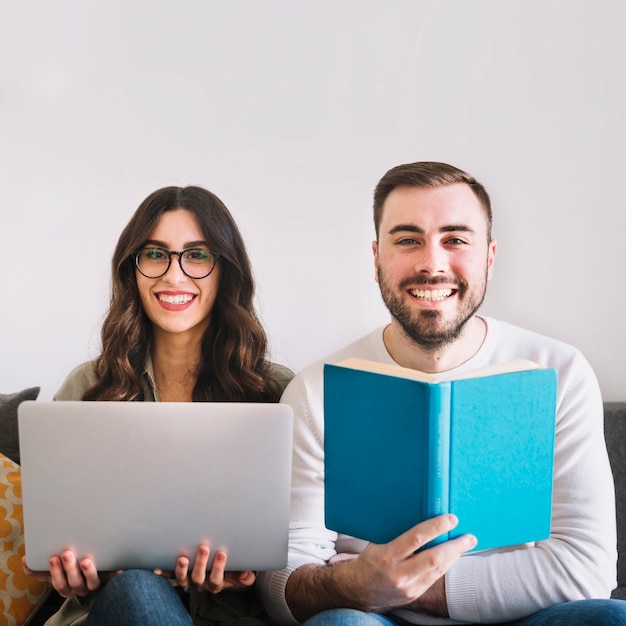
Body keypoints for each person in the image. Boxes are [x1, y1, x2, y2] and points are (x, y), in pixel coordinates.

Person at [257, 161, 626, 625]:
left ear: (489, 256)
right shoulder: (316, 389)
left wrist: (405, 589)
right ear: (376, 259)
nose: (432, 264)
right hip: (372, 621)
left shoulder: (559, 372)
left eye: (455, 239)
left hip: (522, 620)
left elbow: (586, 570)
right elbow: (282, 583)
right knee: (340, 623)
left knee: (613, 618)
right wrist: (353, 591)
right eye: (408, 240)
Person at [23, 185, 293, 626]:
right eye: (155, 254)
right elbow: (58, 539)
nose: (173, 275)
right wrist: (73, 574)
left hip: (230, 617)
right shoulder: (88, 386)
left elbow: (298, 549)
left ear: (226, 270)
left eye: (197, 255)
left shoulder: (275, 391)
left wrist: (254, 573)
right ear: (132, 269)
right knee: (137, 588)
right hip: (114, 609)